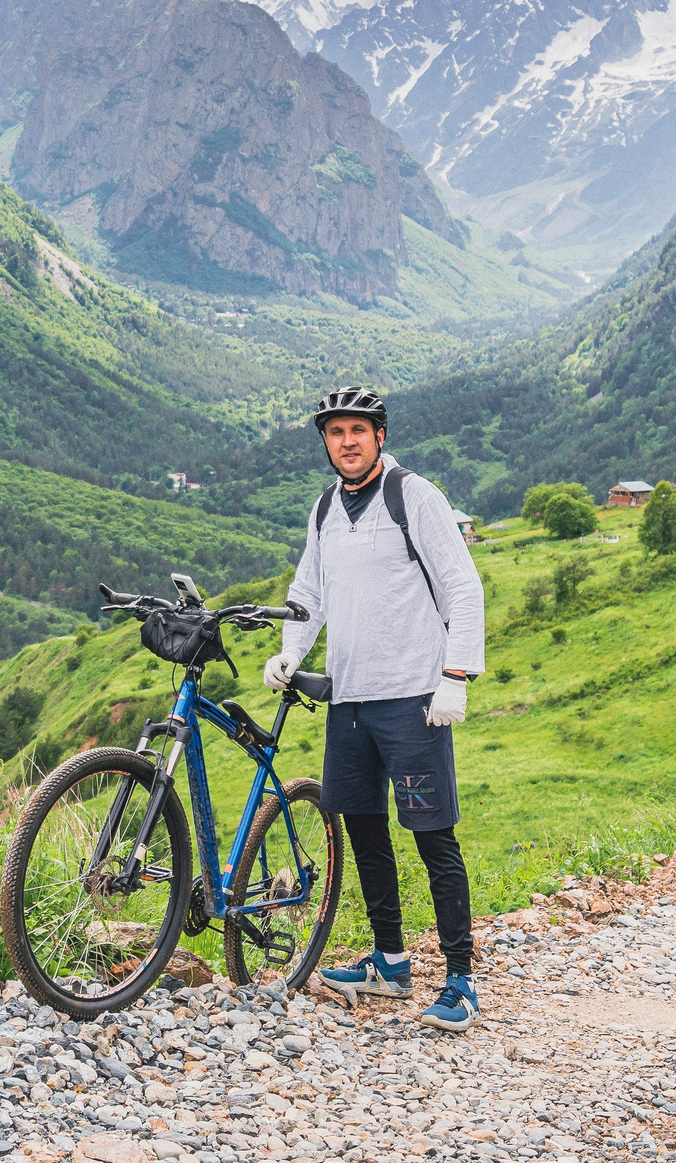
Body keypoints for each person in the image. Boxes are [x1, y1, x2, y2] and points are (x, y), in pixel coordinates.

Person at [264, 385, 487, 1031]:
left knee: (432, 835)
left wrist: (455, 676)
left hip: (413, 699)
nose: (348, 441)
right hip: (349, 700)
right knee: (363, 832)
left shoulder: (413, 496)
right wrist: (290, 649)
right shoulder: (325, 508)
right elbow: (309, 590)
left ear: (379, 435)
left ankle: (461, 979)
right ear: (326, 441)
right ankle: (390, 962)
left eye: (358, 430)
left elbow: (463, 585)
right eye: (336, 432)